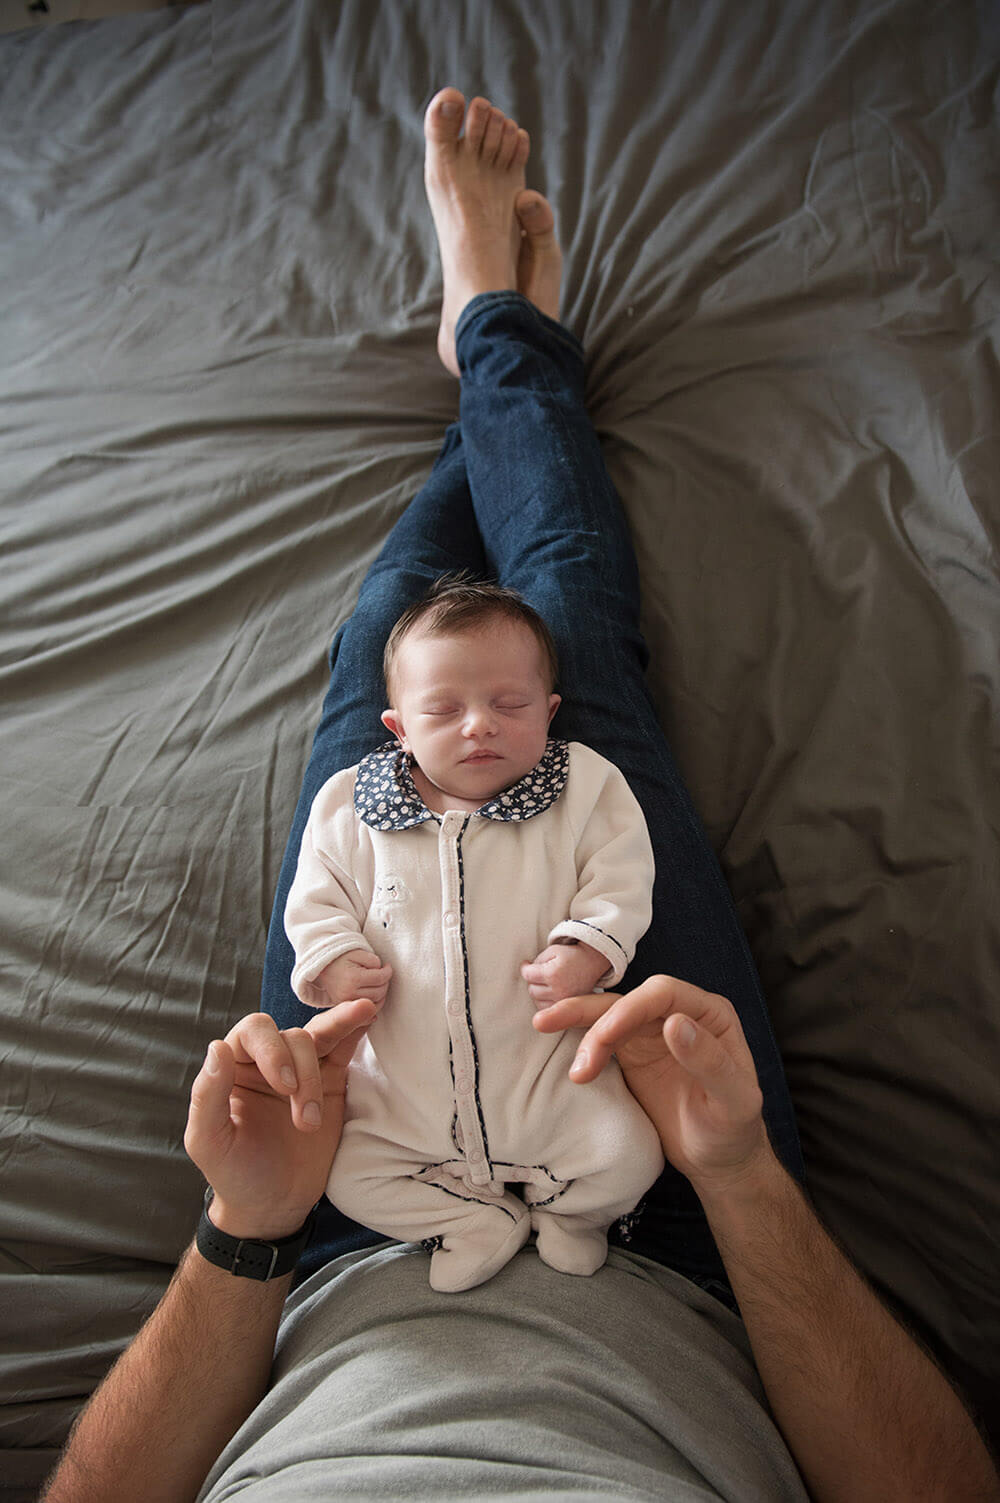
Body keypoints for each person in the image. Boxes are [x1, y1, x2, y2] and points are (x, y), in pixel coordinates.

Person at [41, 88, 999, 1503]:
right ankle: (499, 339)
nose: (488, 722)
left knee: (394, 636)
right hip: (671, 1191)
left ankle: (494, 343)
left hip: (328, 1207)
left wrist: (249, 1221)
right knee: (567, 623)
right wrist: (731, 1173)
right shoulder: (561, 768)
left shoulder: (381, 772)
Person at [283, 574, 665, 1293]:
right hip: (402, 1099)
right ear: (398, 727)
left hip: (550, 1082)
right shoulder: (350, 805)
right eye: (444, 709)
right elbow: (314, 894)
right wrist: (333, 961)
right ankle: (470, 1220)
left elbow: (622, 872)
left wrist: (587, 947)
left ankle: (574, 1214)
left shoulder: (584, 785)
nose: (479, 725)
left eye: (509, 704)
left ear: (550, 713)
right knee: (344, 1177)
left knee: (629, 1154)